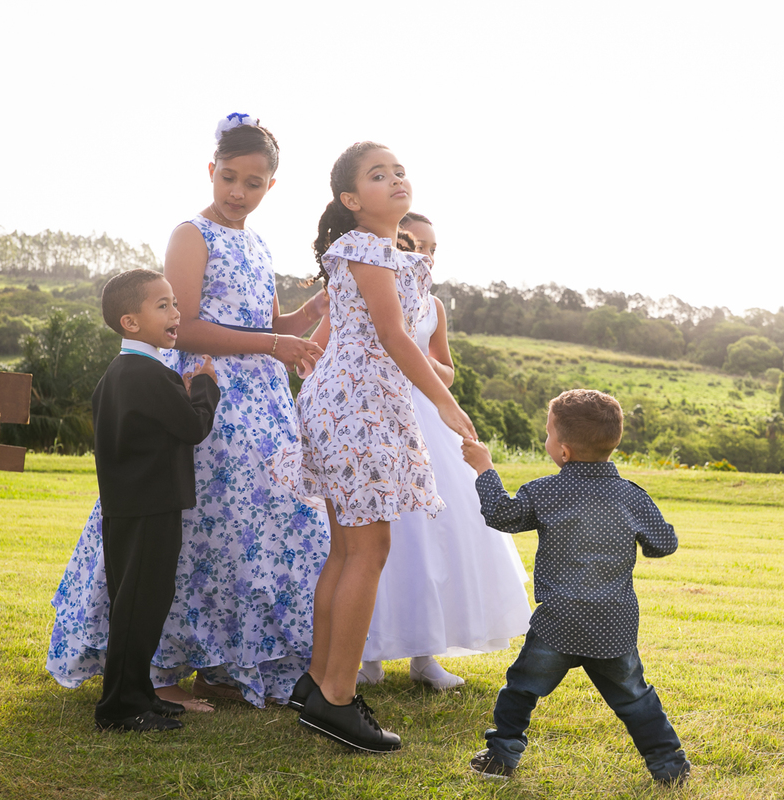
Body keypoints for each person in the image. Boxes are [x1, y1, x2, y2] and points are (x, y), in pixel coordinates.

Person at [47, 114, 330, 710]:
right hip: (209, 396)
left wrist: (328, 298)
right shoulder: (191, 234)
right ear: (211, 170)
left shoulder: (257, 242)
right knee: (196, 529)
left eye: (253, 183)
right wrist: (275, 346)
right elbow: (184, 329)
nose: (237, 192)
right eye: (229, 177)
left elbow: (273, 323)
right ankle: (160, 666)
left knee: (257, 530)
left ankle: (226, 663)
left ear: (270, 187)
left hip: (264, 404)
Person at [269, 142, 476, 753]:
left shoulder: (378, 251)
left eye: (400, 171)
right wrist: (445, 401)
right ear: (352, 201)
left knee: (346, 551)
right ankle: (336, 699)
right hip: (360, 409)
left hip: (352, 403)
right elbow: (390, 334)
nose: (396, 180)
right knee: (368, 550)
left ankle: (316, 683)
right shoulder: (363, 247)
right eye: (378, 176)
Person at [460, 389, 691, 787]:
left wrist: (485, 469)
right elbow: (664, 543)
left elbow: (501, 514)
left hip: (558, 623)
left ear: (563, 451)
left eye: (547, 433)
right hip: (613, 626)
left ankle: (502, 756)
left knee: (521, 689)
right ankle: (669, 765)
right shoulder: (631, 496)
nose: (545, 439)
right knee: (635, 697)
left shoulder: (545, 492)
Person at [354, 213, 530, 690]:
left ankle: (424, 657)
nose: (426, 255)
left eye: (433, 248)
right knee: (374, 533)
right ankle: (365, 655)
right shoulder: (370, 283)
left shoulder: (432, 305)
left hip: (427, 420)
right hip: (376, 418)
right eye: (417, 246)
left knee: (434, 535)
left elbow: (447, 371)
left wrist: (422, 360)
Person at [91, 269, 220, 732]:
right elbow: (192, 428)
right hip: (150, 508)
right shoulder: (149, 374)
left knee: (143, 602)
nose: (176, 312)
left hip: (129, 507)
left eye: (174, 303)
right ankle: (120, 707)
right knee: (138, 606)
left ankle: (139, 691)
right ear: (130, 322)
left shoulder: (119, 374)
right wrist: (205, 386)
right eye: (162, 305)